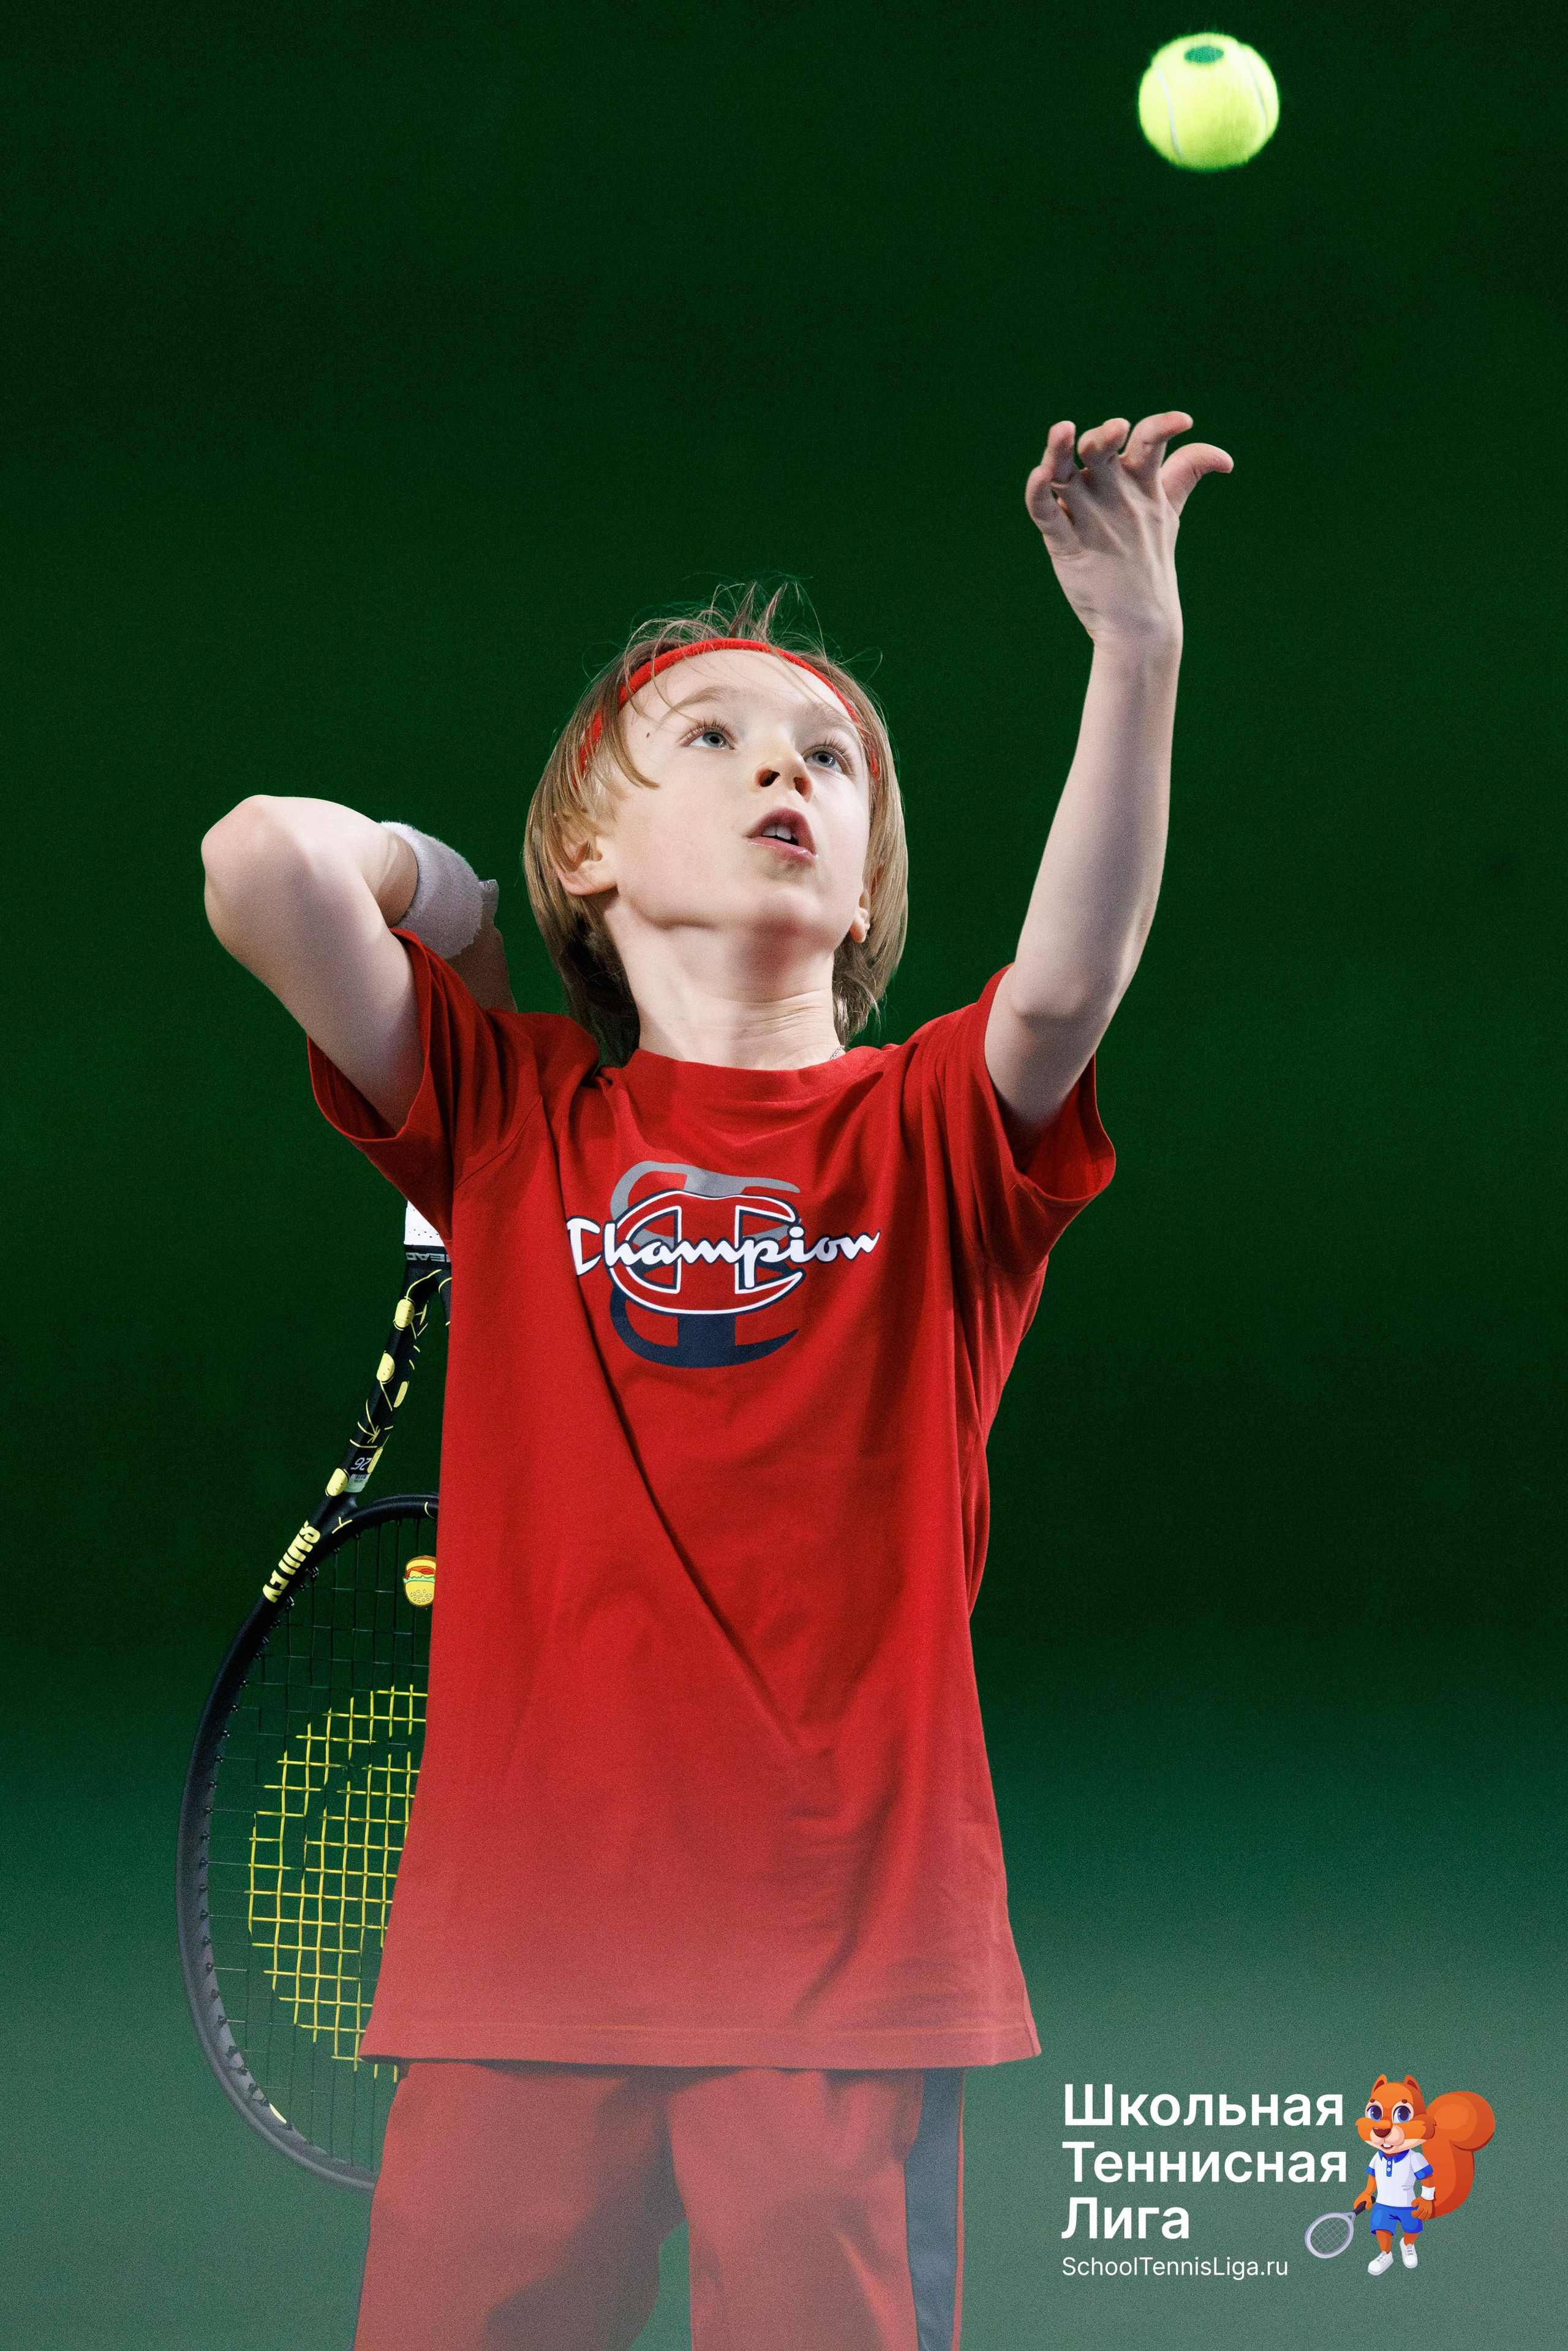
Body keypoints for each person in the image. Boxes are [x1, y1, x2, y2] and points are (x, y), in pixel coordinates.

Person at [200, 409, 1231, 2351]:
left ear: (861, 895)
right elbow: (259, 866)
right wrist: (438, 888)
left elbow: (1071, 984)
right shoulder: (508, 1121)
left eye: (832, 761)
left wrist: (1135, 654)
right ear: (589, 855)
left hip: (836, 1975)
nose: (788, 768)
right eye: (719, 741)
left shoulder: (936, 1137)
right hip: (520, 1971)